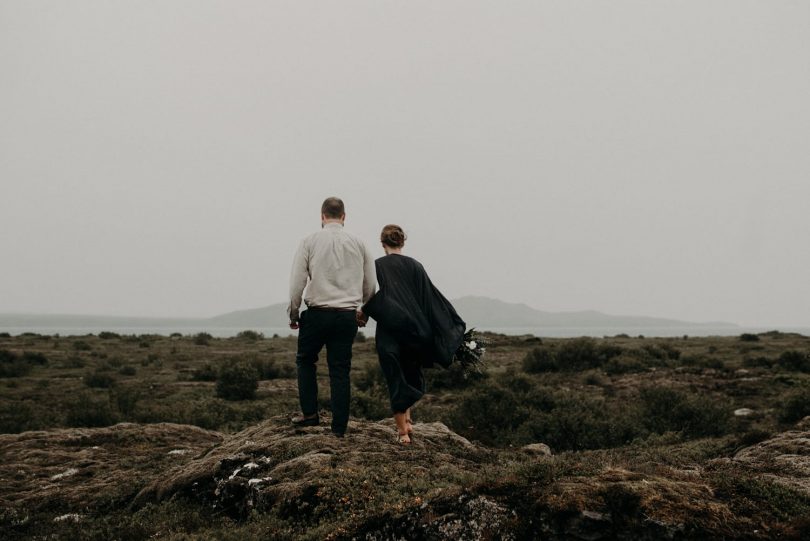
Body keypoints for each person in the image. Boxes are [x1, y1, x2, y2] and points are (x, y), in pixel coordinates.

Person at [358, 225, 466, 445]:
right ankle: (407, 420)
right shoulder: (416, 266)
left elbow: (369, 294)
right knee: (409, 372)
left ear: (382, 243)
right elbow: (430, 298)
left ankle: (403, 433)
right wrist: (442, 327)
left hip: (390, 329)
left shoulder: (376, 265)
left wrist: (364, 312)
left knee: (395, 376)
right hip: (416, 331)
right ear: (402, 242)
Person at [287, 197, 376, 437]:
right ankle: (338, 428)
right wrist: (364, 311)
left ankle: (310, 415)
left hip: (317, 314)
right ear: (344, 216)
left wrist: (294, 312)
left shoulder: (309, 241)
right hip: (346, 315)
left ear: (322, 216)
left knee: (305, 361)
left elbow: (297, 281)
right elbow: (371, 283)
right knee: (339, 370)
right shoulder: (359, 243)